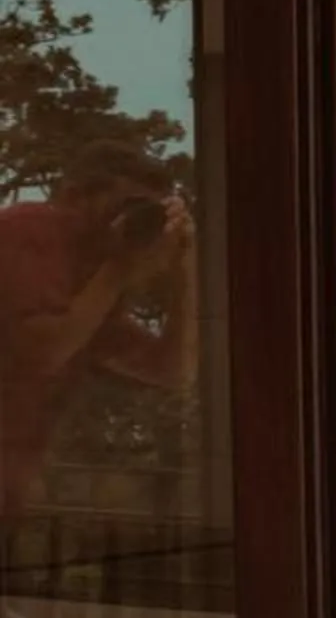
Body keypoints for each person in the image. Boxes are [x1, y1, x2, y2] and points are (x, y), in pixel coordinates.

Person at [0, 164, 198, 511]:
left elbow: (172, 370)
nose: (129, 222)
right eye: (124, 205)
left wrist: (185, 269)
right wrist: (121, 267)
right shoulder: (27, 227)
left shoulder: (89, 293)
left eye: (146, 214)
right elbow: (45, 351)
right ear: (71, 197)